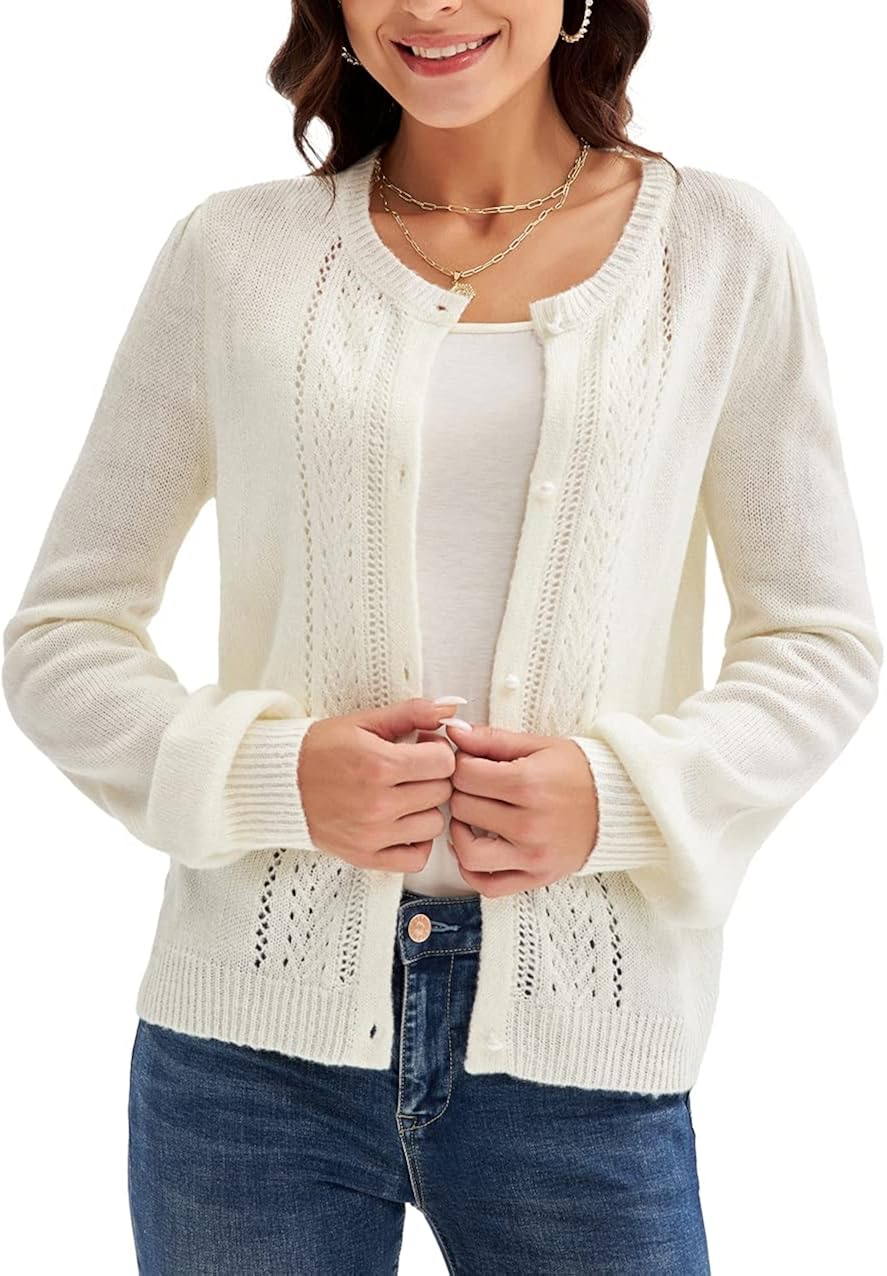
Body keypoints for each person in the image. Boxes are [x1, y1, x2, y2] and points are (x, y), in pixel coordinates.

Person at [3, 1, 881, 1272]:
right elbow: (62, 635)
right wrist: (272, 777)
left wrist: (619, 796)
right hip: (246, 1059)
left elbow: (816, 640)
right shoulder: (235, 253)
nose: (427, 7)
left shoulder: (718, 249)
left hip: (582, 1055)